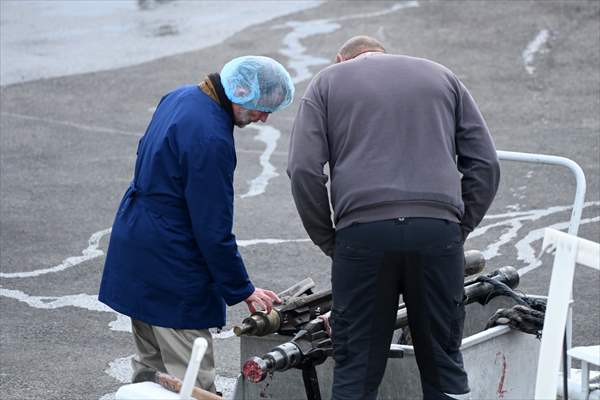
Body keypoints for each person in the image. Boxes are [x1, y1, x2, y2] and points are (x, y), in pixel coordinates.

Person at [287, 36, 500, 400]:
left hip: (363, 233)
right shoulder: (441, 76)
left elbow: (304, 170)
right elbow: (485, 165)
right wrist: (458, 227)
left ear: (342, 59)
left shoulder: (327, 81)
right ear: (384, 52)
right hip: (436, 230)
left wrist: (330, 239)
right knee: (444, 361)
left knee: (356, 366)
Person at [99, 55, 294, 393]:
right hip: (172, 268)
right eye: (262, 108)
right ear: (240, 91)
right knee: (193, 384)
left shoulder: (180, 96)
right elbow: (212, 230)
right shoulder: (212, 139)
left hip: (137, 245)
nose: (263, 117)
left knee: (150, 373)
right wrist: (243, 289)